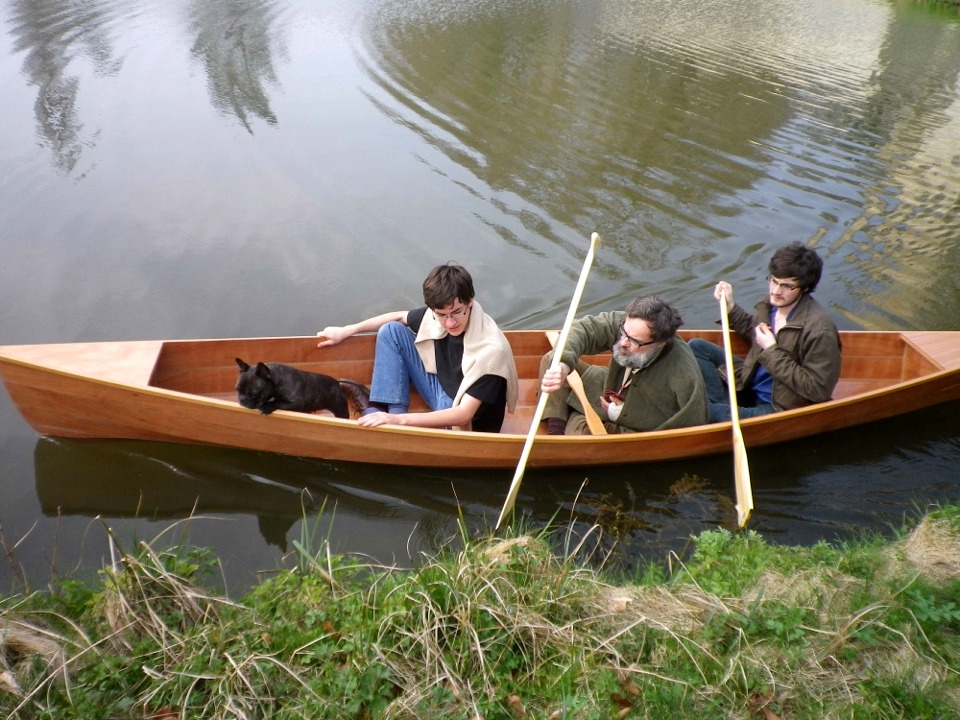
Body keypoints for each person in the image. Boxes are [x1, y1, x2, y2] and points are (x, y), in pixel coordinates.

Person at [317, 263, 518, 432]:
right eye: (441, 315)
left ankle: (392, 422)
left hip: (461, 416)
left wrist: (397, 422)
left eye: (457, 312)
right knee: (391, 331)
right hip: (442, 386)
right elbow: (397, 316)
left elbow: (463, 415)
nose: (449, 323)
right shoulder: (437, 314)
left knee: (447, 406)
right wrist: (347, 330)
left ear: (470, 302)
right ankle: (392, 413)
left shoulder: (492, 352)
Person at [688, 242, 842, 423]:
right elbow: (756, 334)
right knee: (697, 347)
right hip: (749, 381)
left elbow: (818, 390)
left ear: (805, 288)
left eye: (787, 286)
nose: (776, 291)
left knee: (705, 412)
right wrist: (730, 307)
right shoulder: (771, 304)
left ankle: (719, 411)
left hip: (778, 405)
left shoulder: (820, 330)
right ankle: (724, 409)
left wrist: (771, 351)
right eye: (774, 281)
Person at [539, 295, 708, 435]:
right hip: (610, 390)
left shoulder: (684, 373)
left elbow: (692, 426)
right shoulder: (629, 327)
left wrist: (623, 414)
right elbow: (582, 329)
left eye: (634, 341)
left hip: (633, 425)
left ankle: (572, 413)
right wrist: (563, 365)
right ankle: (556, 432)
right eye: (623, 333)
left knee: (582, 435)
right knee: (552, 360)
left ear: (659, 343)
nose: (623, 342)